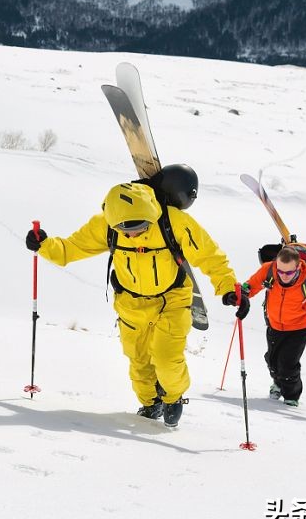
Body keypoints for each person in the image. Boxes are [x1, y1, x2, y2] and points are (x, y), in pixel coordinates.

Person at [25, 179, 248, 428]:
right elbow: (71, 249)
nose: (133, 234)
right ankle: (152, 403)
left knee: (166, 359)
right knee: (139, 361)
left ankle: (173, 397)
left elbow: (210, 256)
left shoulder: (174, 222)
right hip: (130, 303)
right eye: (125, 230)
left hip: (171, 301)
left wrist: (229, 288)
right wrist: (44, 245)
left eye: (141, 227)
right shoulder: (106, 225)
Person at [243, 245, 306, 406]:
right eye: (280, 271)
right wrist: (241, 294)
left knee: (287, 363)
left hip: (300, 327)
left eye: (289, 272)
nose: (283, 276)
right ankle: (278, 383)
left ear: (298, 267)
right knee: (272, 360)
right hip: (275, 324)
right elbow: (251, 285)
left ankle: (291, 397)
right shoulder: (269, 270)